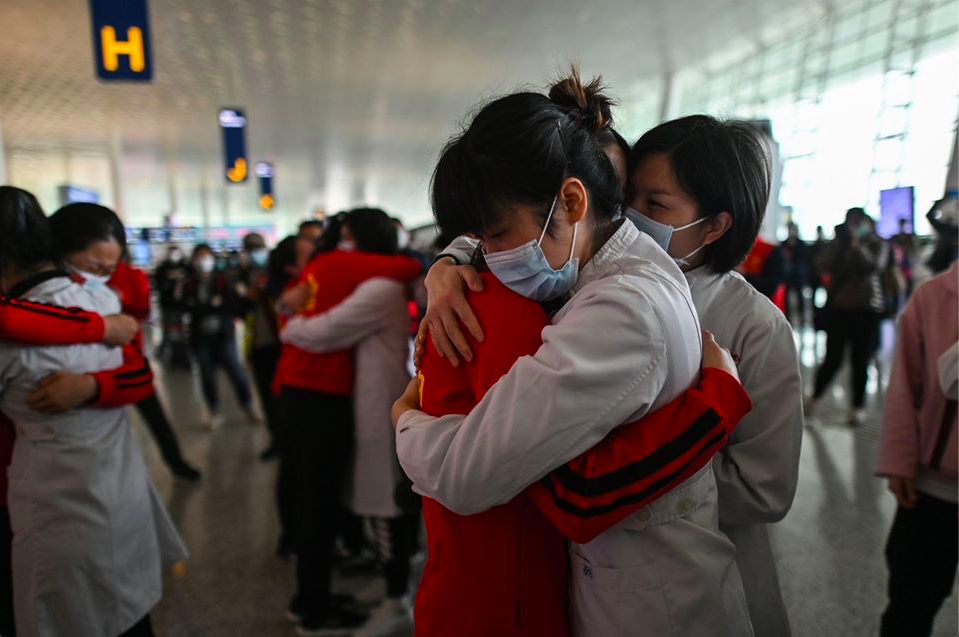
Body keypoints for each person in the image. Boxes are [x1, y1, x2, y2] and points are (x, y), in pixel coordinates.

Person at [392, 69, 752, 636]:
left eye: (496, 235)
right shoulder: (605, 256)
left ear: (573, 198)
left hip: (653, 608)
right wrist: (449, 262)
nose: (491, 255)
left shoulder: (620, 309)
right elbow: (501, 234)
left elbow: (468, 476)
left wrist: (405, 420)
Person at [623, 115, 803, 636]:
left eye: (655, 205)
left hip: (705, 577)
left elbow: (765, 488)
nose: (632, 217)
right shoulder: (596, 288)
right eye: (628, 197)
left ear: (715, 225)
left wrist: (623, 472)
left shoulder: (753, 326)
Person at [0, 186, 187, 637]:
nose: (105, 272)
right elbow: (141, 375)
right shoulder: (101, 303)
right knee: (125, 605)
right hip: (114, 482)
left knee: (62, 611)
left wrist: (89, 385)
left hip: (48, 490)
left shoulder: (27, 330)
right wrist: (99, 357)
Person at [275, 210, 422, 635]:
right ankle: (390, 593)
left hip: (379, 406)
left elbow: (323, 331)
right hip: (375, 400)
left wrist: (290, 322)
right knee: (381, 499)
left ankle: (396, 600)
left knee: (386, 502)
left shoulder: (377, 287)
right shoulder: (382, 279)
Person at [47, 203, 201, 481]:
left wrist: (113, 319)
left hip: (122, 363)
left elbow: (139, 371)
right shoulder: (41, 300)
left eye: (110, 266)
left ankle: (175, 461)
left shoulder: (117, 286)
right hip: (58, 460)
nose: (102, 274)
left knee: (150, 417)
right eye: (95, 265)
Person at [875, 258, 957, 637]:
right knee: (912, 596)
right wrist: (899, 460)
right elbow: (906, 386)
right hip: (932, 485)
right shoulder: (934, 296)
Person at [807, 207, 889, 425]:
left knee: (860, 359)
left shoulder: (877, 244)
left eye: (860, 222)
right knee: (832, 357)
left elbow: (872, 267)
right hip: (839, 308)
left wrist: (857, 246)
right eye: (852, 222)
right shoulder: (838, 244)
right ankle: (814, 398)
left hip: (867, 310)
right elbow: (820, 264)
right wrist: (838, 244)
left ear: (868, 224)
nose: (856, 227)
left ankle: (857, 406)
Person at [263, 234, 314, 557]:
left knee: (295, 464)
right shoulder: (293, 291)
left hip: (294, 385)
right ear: (291, 265)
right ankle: (291, 537)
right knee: (294, 466)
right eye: (311, 252)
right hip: (293, 387)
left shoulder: (302, 284)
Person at [175, 244, 257, 428]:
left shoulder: (222, 279)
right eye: (199, 258)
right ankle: (213, 411)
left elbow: (230, 303)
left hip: (223, 335)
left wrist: (208, 306)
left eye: (206, 257)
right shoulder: (189, 283)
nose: (203, 262)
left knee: (236, 372)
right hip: (200, 338)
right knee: (206, 376)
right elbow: (185, 306)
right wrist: (210, 305)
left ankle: (248, 406)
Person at [239, 232, 283, 459]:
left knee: (281, 397)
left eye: (258, 248)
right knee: (266, 397)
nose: (254, 253)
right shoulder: (240, 276)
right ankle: (276, 439)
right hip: (257, 345)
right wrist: (247, 297)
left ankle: (286, 439)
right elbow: (235, 309)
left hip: (280, 343)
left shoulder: (275, 273)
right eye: (250, 249)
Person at [782, 222, 811, 324]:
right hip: (788, 275)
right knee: (786, 296)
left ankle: (802, 317)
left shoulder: (801, 244)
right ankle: (787, 317)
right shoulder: (784, 243)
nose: (791, 231)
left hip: (798, 275)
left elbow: (805, 259)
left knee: (800, 296)